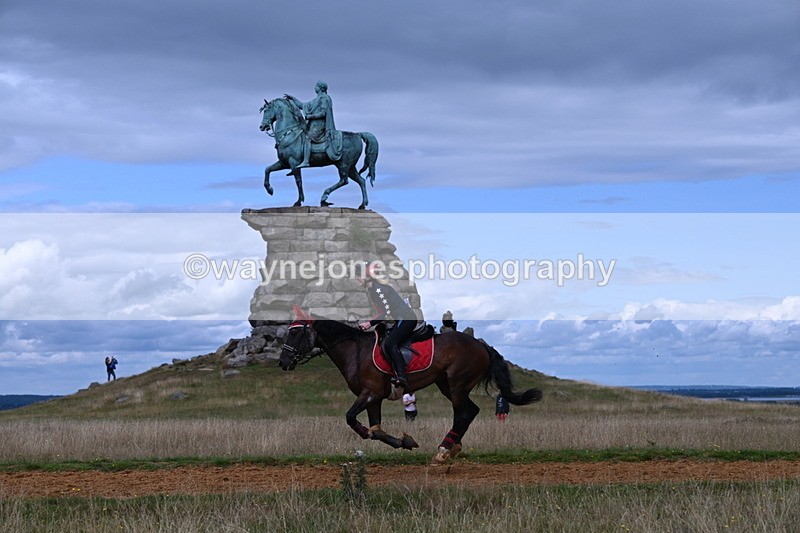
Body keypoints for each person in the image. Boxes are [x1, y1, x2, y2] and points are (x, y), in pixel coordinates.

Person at [357, 261, 418, 389]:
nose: (356, 278)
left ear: (367, 276)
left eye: (358, 275)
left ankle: (402, 376)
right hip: (400, 319)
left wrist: (369, 323)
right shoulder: (373, 290)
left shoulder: (378, 289)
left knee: (391, 343)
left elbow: (385, 313)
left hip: (406, 319)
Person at [284, 80, 341, 167]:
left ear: (321, 88)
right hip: (313, 125)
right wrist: (293, 98)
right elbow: (302, 105)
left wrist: (311, 117)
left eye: (316, 86)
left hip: (320, 126)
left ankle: (306, 161)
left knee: (307, 138)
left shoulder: (325, 98)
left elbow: (323, 113)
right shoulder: (316, 100)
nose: (315, 87)